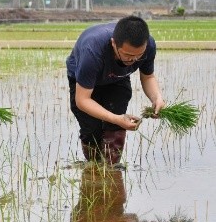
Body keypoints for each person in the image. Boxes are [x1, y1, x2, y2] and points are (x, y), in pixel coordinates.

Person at [66, 15, 165, 164]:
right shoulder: (92, 50)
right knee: (91, 129)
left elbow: (148, 77)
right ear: (114, 44)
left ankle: (111, 169)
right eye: (128, 55)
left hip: (117, 78)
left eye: (139, 56)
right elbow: (82, 100)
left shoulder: (149, 46)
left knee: (115, 127)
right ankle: (94, 169)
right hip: (83, 81)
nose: (134, 60)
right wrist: (116, 118)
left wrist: (157, 98)